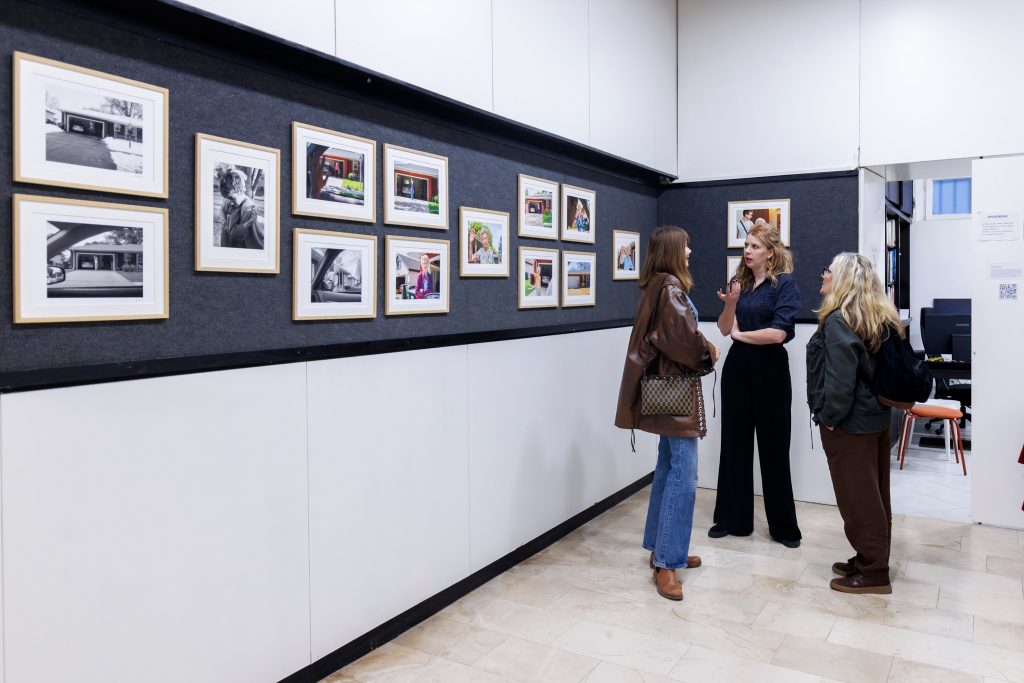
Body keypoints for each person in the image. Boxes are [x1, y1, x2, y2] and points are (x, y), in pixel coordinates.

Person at [615, 225, 720, 601]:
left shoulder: (657, 286)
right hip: (675, 394)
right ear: (673, 250)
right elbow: (685, 344)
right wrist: (709, 350)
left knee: (667, 469)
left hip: (664, 391)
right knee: (684, 477)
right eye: (686, 246)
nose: (690, 252)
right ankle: (666, 562)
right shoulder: (672, 289)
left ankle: (663, 548)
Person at [807, 253, 900, 594]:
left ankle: (874, 571)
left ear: (842, 279)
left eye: (828, 271)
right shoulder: (875, 315)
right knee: (875, 495)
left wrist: (829, 418)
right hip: (876, 419)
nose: (823, 275)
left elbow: (840, 379)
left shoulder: (838, 320)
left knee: (858, 498)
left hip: (850, 423)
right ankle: (868, 558)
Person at [710, 223, 802, 547]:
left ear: (770, 253)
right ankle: (732, 519)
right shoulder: (740, 282)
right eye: (746, 245)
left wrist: (741, 335)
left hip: (771, 371)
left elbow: (777, 334)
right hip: (738, 369)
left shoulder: (785, 285)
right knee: (734, 444)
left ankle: (784, 528)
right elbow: (725, 329)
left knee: (774, 447)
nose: (747, 251)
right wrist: (730, 304)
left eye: (755, 246)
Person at [218, 167, 263, 250]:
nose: (230, 202)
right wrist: (225, 224)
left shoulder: (247, 207)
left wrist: (249, 222)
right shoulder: (228, 199)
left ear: (240, 190)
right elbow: (221, 212)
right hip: (227, 245)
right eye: (228, 198)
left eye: (232, 198)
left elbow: (236, 234)